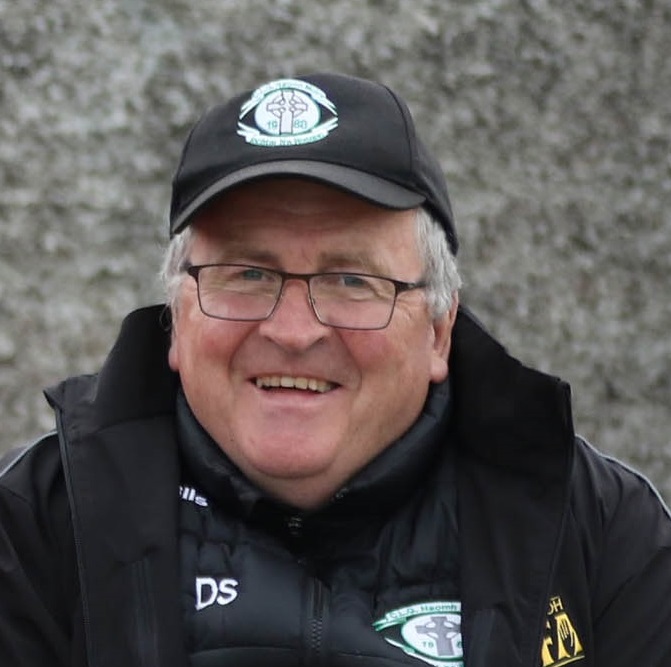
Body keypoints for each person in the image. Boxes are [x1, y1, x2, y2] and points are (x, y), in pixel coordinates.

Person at [1, 72, 670, 667]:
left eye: (352, 280)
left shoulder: (600, 533)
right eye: (247, 273)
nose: (294, 332)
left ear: (439, 330)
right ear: (178, 315)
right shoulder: (35, 530)